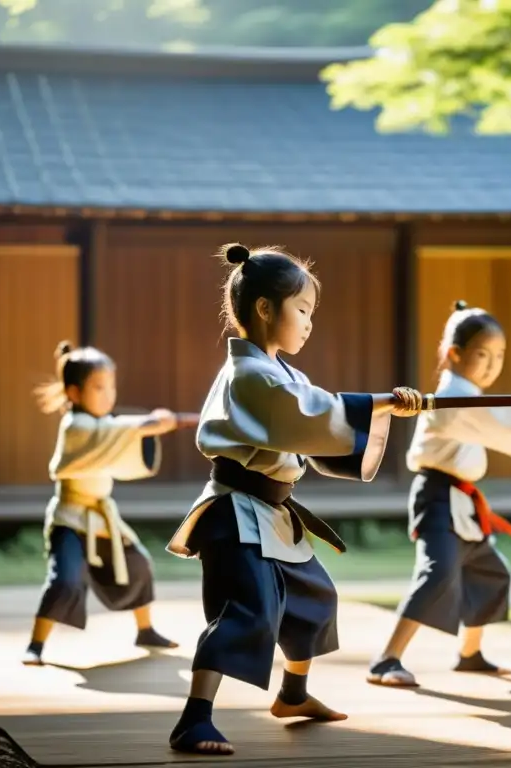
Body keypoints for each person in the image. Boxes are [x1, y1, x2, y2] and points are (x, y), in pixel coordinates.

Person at [166, 243, 423, 757]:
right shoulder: (252, 375)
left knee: (313, 600)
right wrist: (380, 405)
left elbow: (313, 418)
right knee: (246, 612)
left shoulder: (281, 373)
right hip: (235, 513)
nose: (308, 323)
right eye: (302, 310)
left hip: (271, 514)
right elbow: (309, 414)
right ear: (265, 308)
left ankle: (293, 694)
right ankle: (193, 720)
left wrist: (385, 408)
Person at [367, 300, 511, 688]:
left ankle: (470, 653)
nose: (491, 364)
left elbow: (499, 418)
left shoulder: (467, 396)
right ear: (454, 354)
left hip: (461, 500)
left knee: (489, 570)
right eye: (483, 354)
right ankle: (386, 658)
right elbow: (504, 422)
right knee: (436, 575)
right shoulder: (452, 396)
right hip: (437, 496)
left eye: (499, 356)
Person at [22, 342, 181, 667]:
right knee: (64, 579)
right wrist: (151, 423)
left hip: (101, 515)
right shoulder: (77, 426)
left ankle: (145, 630)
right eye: (98, 387)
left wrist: (149, 425)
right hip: (70, 518)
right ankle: (36, 644)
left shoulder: (101, 425)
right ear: (75, 393)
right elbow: (111, 433)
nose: (108, 394)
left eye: (111, 386)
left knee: (139, 564)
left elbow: (113, 434)